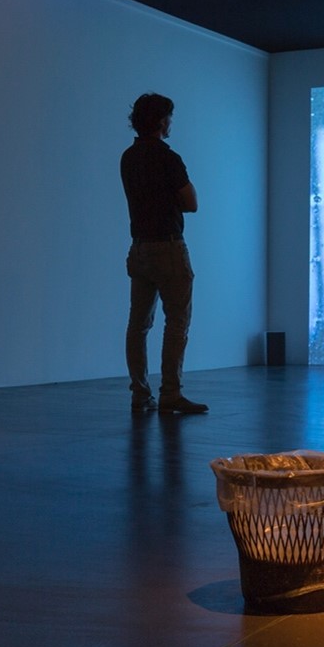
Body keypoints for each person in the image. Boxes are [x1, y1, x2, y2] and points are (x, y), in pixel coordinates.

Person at [120, 93, 208, 414]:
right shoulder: (168, 158)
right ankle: (171, 393)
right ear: (160, 121)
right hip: (168, 248)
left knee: (138, 325)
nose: (171, 123)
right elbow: (191, 203)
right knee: (177, 323)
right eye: (169, 118)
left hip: (139, 247)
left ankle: (140, 394)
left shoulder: (128, 158)